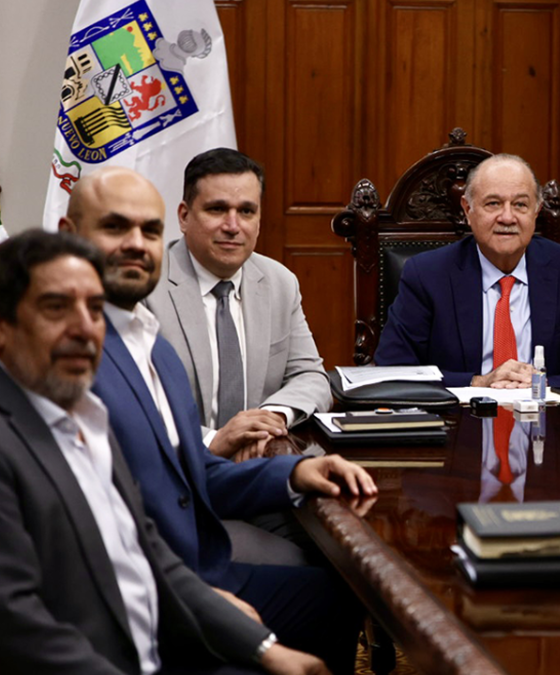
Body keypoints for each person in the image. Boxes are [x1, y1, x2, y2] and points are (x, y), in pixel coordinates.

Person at [59, 166, 373, 674]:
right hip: (141, 588)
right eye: (115, 228)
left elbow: (187, 475)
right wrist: (214, 609)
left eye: (148, 231)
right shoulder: (67, 357)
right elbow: (92, 526)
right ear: (69, 237)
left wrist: (293, 473)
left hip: (190, 558)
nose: (137, 244)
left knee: (341, 589)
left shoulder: (152, 349)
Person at [0, 230, 328, 674]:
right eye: (56, 308)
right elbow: (18, 625)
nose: (84, 328)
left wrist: (264, 647)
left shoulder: (89, 418)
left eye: (95, 309)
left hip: (163, 634)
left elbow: (147, 554)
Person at [143, 148, 331, 460]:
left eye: (246, 211)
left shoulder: (280, 282)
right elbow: (134, 399)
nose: (233, 225)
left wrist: (269, 419)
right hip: (177, 468)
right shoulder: (145, 285)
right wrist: (212, 442)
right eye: (217, 209)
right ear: (184, 216)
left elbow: (310, 376)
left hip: (257, 466)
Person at [373, 153, 560, 387]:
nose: (507, 217)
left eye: (520, 204)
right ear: (468, 210)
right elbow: (393, 369)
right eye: (493, 204)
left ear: (536, 211)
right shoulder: (427, 274)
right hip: (458, 423)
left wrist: (539, 384)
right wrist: (478, 382)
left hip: (550, 423)